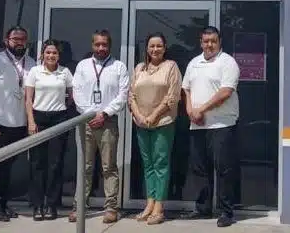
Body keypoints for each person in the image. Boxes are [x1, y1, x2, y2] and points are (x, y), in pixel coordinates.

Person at [180, 26, 241, 228]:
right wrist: (190, 111)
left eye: (213, 41)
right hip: (197, 125)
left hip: (222, 123)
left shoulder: (228, 62)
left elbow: (226, 92)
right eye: (206, 41)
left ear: (219, 41)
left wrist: (202, 109)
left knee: (224, 169)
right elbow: (186, 89)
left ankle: (226, 212)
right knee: (199, 169)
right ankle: (203, 208)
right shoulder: (193, 63)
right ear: (201, 42)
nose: (209, 45)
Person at [69, 29, 130, 224]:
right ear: (92, 45)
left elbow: (123, 96)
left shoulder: (119, 67)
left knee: (109, 167)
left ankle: (111, 207)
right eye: (98, 44)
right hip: (85, 121)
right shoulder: (83, 66)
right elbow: (76, 93)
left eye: (104, 44)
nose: (101, 48)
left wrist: (104, 113)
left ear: (109, 45)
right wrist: (90, 114)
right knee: (84, 167)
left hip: (108, 121)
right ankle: (79, 206)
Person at [0, 26, 35, 222]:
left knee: (8, 167)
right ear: (6, 40)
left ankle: (3, 203)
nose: (19, 42)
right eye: (15, 39)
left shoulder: (31, 64)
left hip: (19, 124)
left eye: (23, 39)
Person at [128, 33, 182, 225]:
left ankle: (159, 207)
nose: (155, 49)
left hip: (163, 123)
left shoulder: (171, 67)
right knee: (148, 164)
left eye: (159, 46)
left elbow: (173, 96)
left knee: (160, 164)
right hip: (141, 124)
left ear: (165, 48)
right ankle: (149, 204)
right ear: (147, 48)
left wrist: (154, 116)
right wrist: (140, 116)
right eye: (151, 46)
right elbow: (131, 96)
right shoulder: (139, 68)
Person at [23, 39, 74, 221]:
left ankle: (51, 205)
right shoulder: (34, 72)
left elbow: (71, 97)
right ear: (42, 55)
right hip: (39, 118)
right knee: (37, 163)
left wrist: (62, 108)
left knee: (55, 164)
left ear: (59, 55)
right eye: (48, 52)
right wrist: (31, 121)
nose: (51, 56)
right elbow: (28, 99)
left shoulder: (65, 72)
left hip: (59, 118)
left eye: (54, 53)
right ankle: (37, 205)